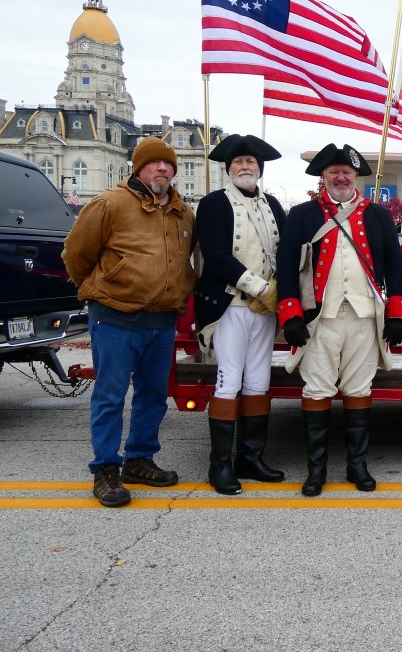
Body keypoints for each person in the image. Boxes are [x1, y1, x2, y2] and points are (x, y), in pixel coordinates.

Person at [62, 136, 196, 507]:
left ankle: (139, 459)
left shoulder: (183, 212)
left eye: (168, 165)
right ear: (138, 168)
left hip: (162, 319)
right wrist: (99, 287)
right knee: (110, 395)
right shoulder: (110, 203)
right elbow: (76, 254)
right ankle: (106, 468)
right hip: (116, 317)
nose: (163, 170)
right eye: (155, 164)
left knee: (153, 395)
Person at [276, 143, 402, 497]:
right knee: (317, 389)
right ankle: (316, 470)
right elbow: (286, 265)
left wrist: (396, 315)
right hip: (321, 318)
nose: (340, 177)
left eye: (346, 172)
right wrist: (290, 315)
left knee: (359, 389)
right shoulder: (302, 215)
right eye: (334, 171)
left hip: (364, 316)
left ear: (356, 177)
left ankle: (356, 465)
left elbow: (395, 266)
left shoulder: (378, 215)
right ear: (323, 177)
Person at [195, 134, 288, 495]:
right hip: (230, 305)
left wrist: (281, 290)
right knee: (230, 379)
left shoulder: (274, 204)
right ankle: (219, 465)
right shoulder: (214, 204)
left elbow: (286, 251)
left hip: (265, 309)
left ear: (259, 169)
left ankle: (250, 458)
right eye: (237, 163)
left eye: (250, 162)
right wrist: (261, 289)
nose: (244, 167)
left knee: (258, 380)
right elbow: (217, 257)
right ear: (229, 169)